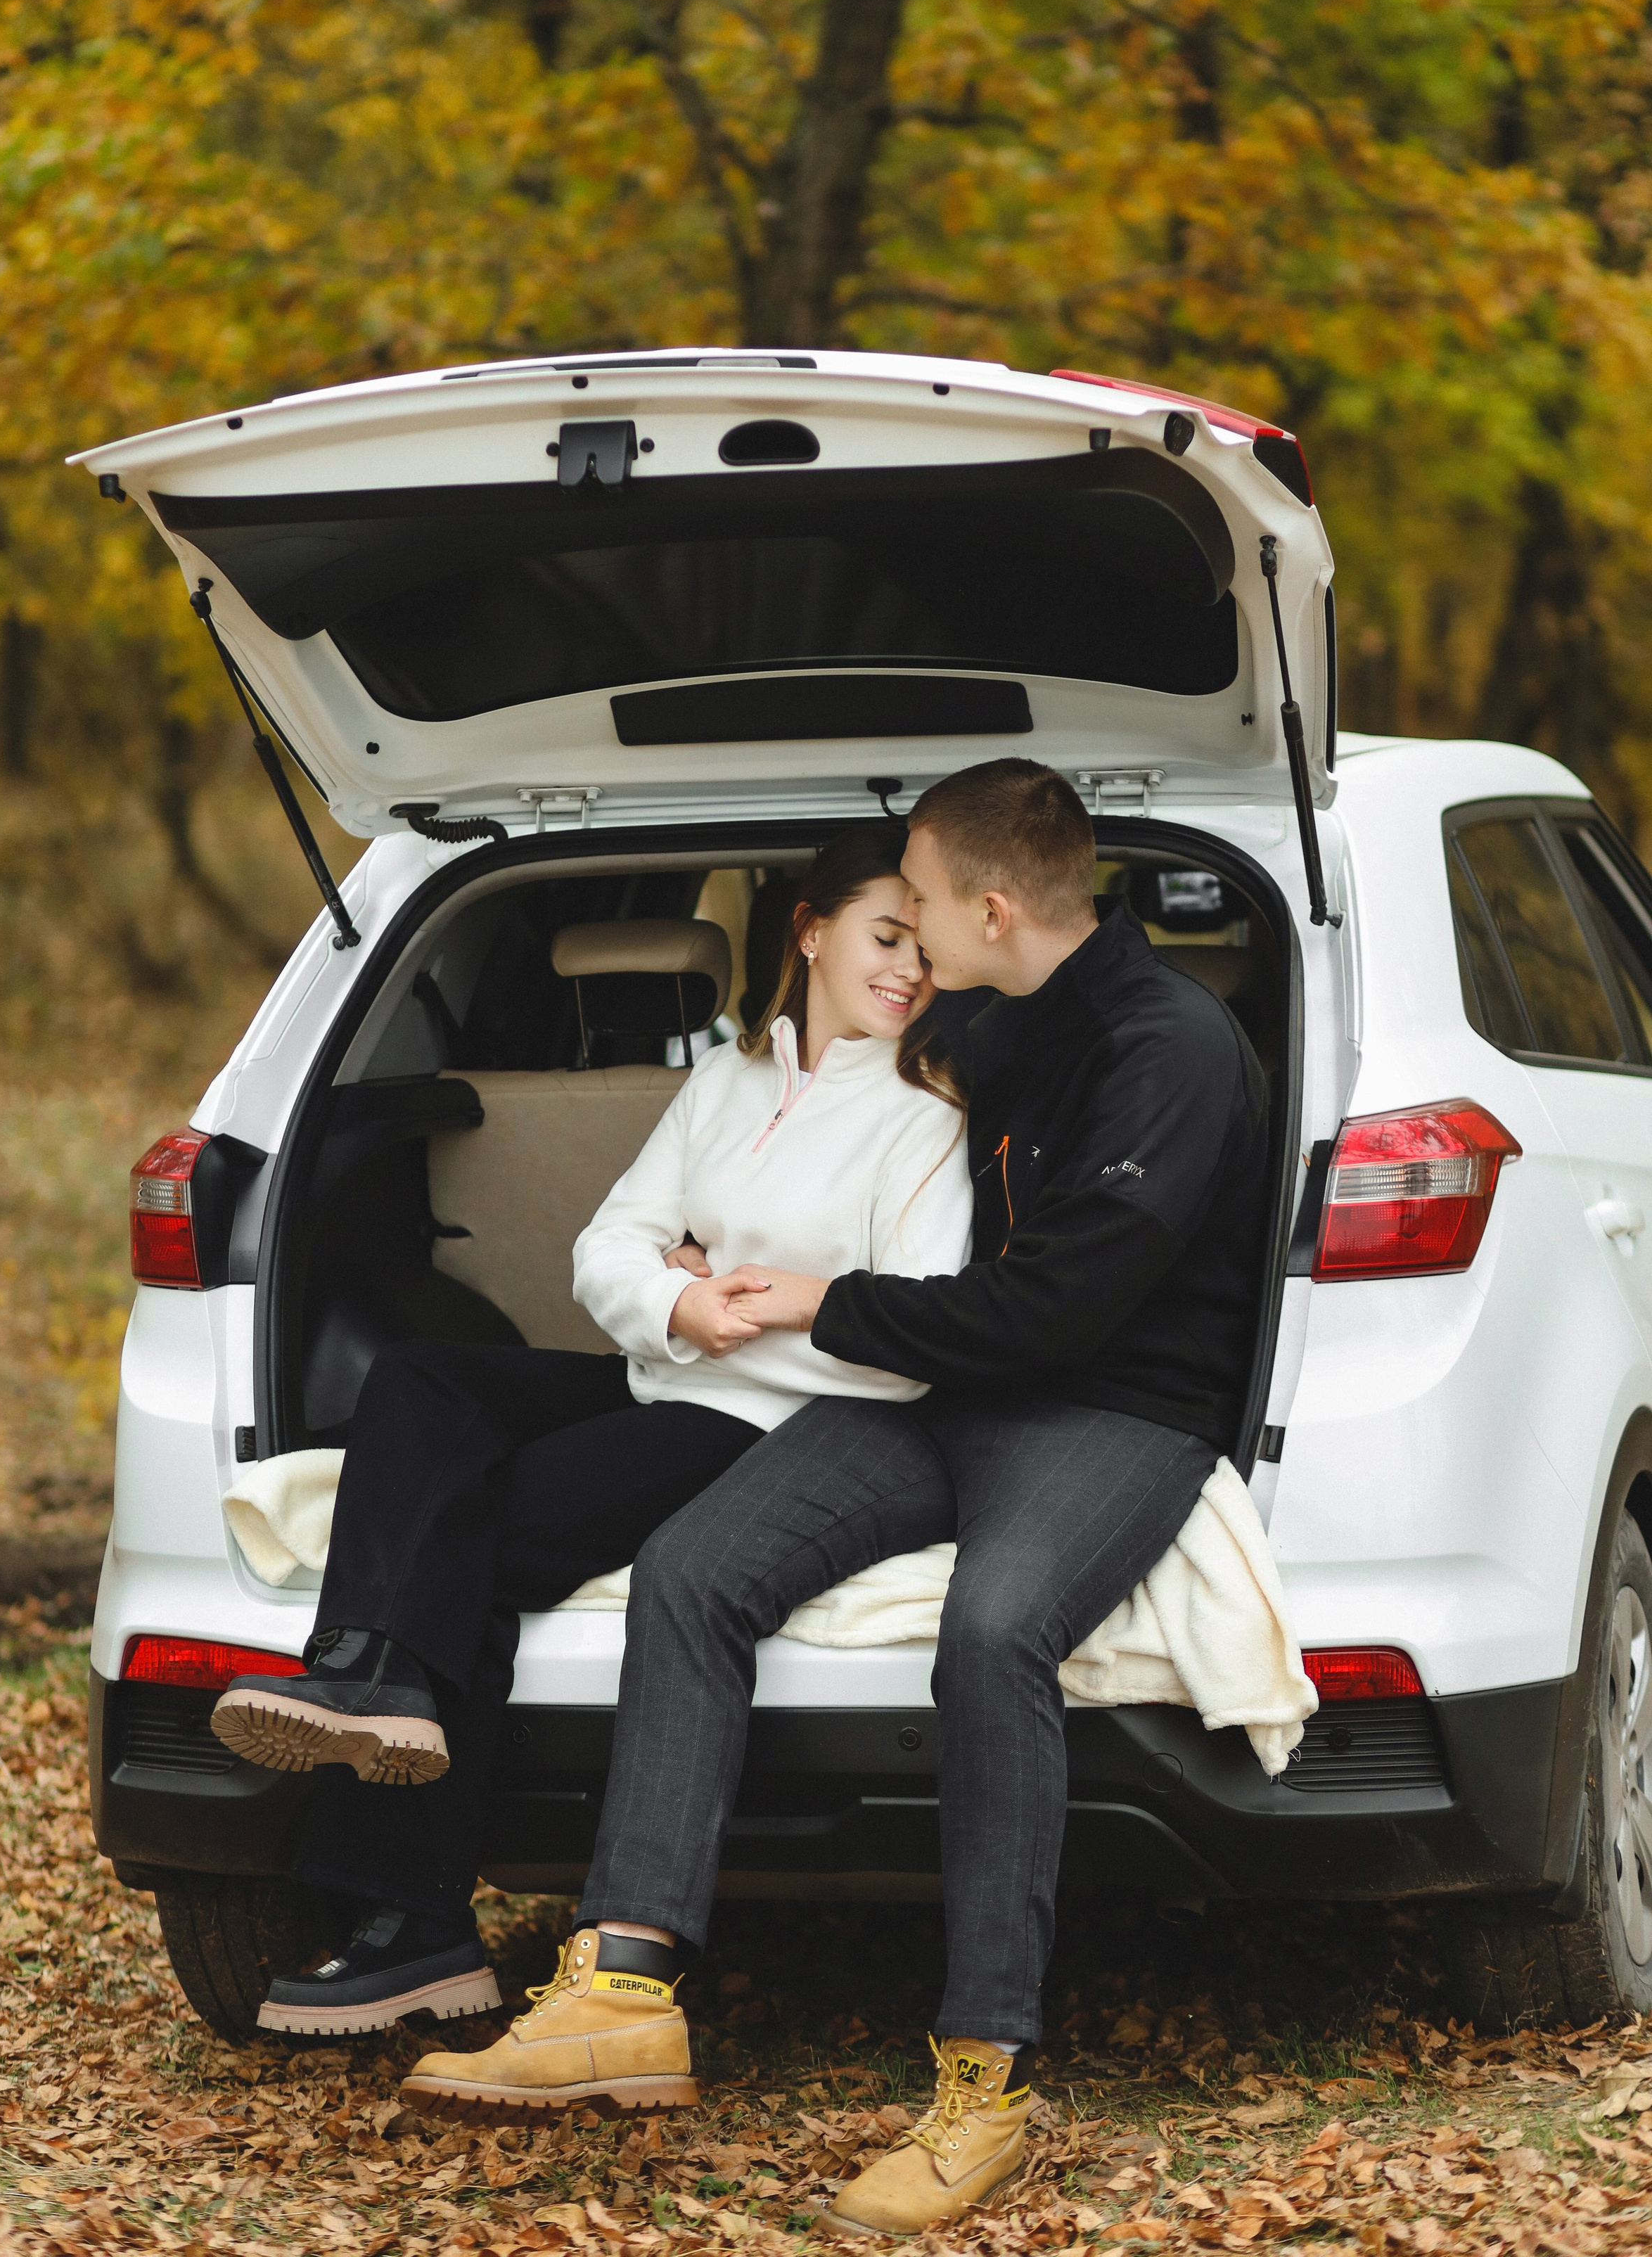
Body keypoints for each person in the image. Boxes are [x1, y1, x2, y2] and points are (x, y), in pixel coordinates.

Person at [404, 759, 1269, 2239]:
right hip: (948, 1394)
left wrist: (818, 1299)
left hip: (1113, 1411)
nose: (907, 932)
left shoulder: (1171, 1048)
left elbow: (1053, 1312)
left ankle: (983, 2084)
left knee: (990, 1632)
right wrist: (692, 1266)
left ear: (990, 911)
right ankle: (622, 1991)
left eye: (920, 902)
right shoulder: (981, 1024)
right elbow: (826, 1113)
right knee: (694, 1571)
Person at [210, 826, 971, 2039]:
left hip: (770, 1423)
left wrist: (753, 1305)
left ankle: (414, 1922)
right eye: (887, 937)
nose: (908, 972)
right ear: (812, 930)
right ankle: (366, 1669)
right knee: (418, 1381)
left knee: (474, 1532)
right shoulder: (723, 1084)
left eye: (927, 952)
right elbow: (604, 1246)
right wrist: (676, 1301)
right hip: (659, 1370)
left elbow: (917, 1322)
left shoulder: (925, 1111)